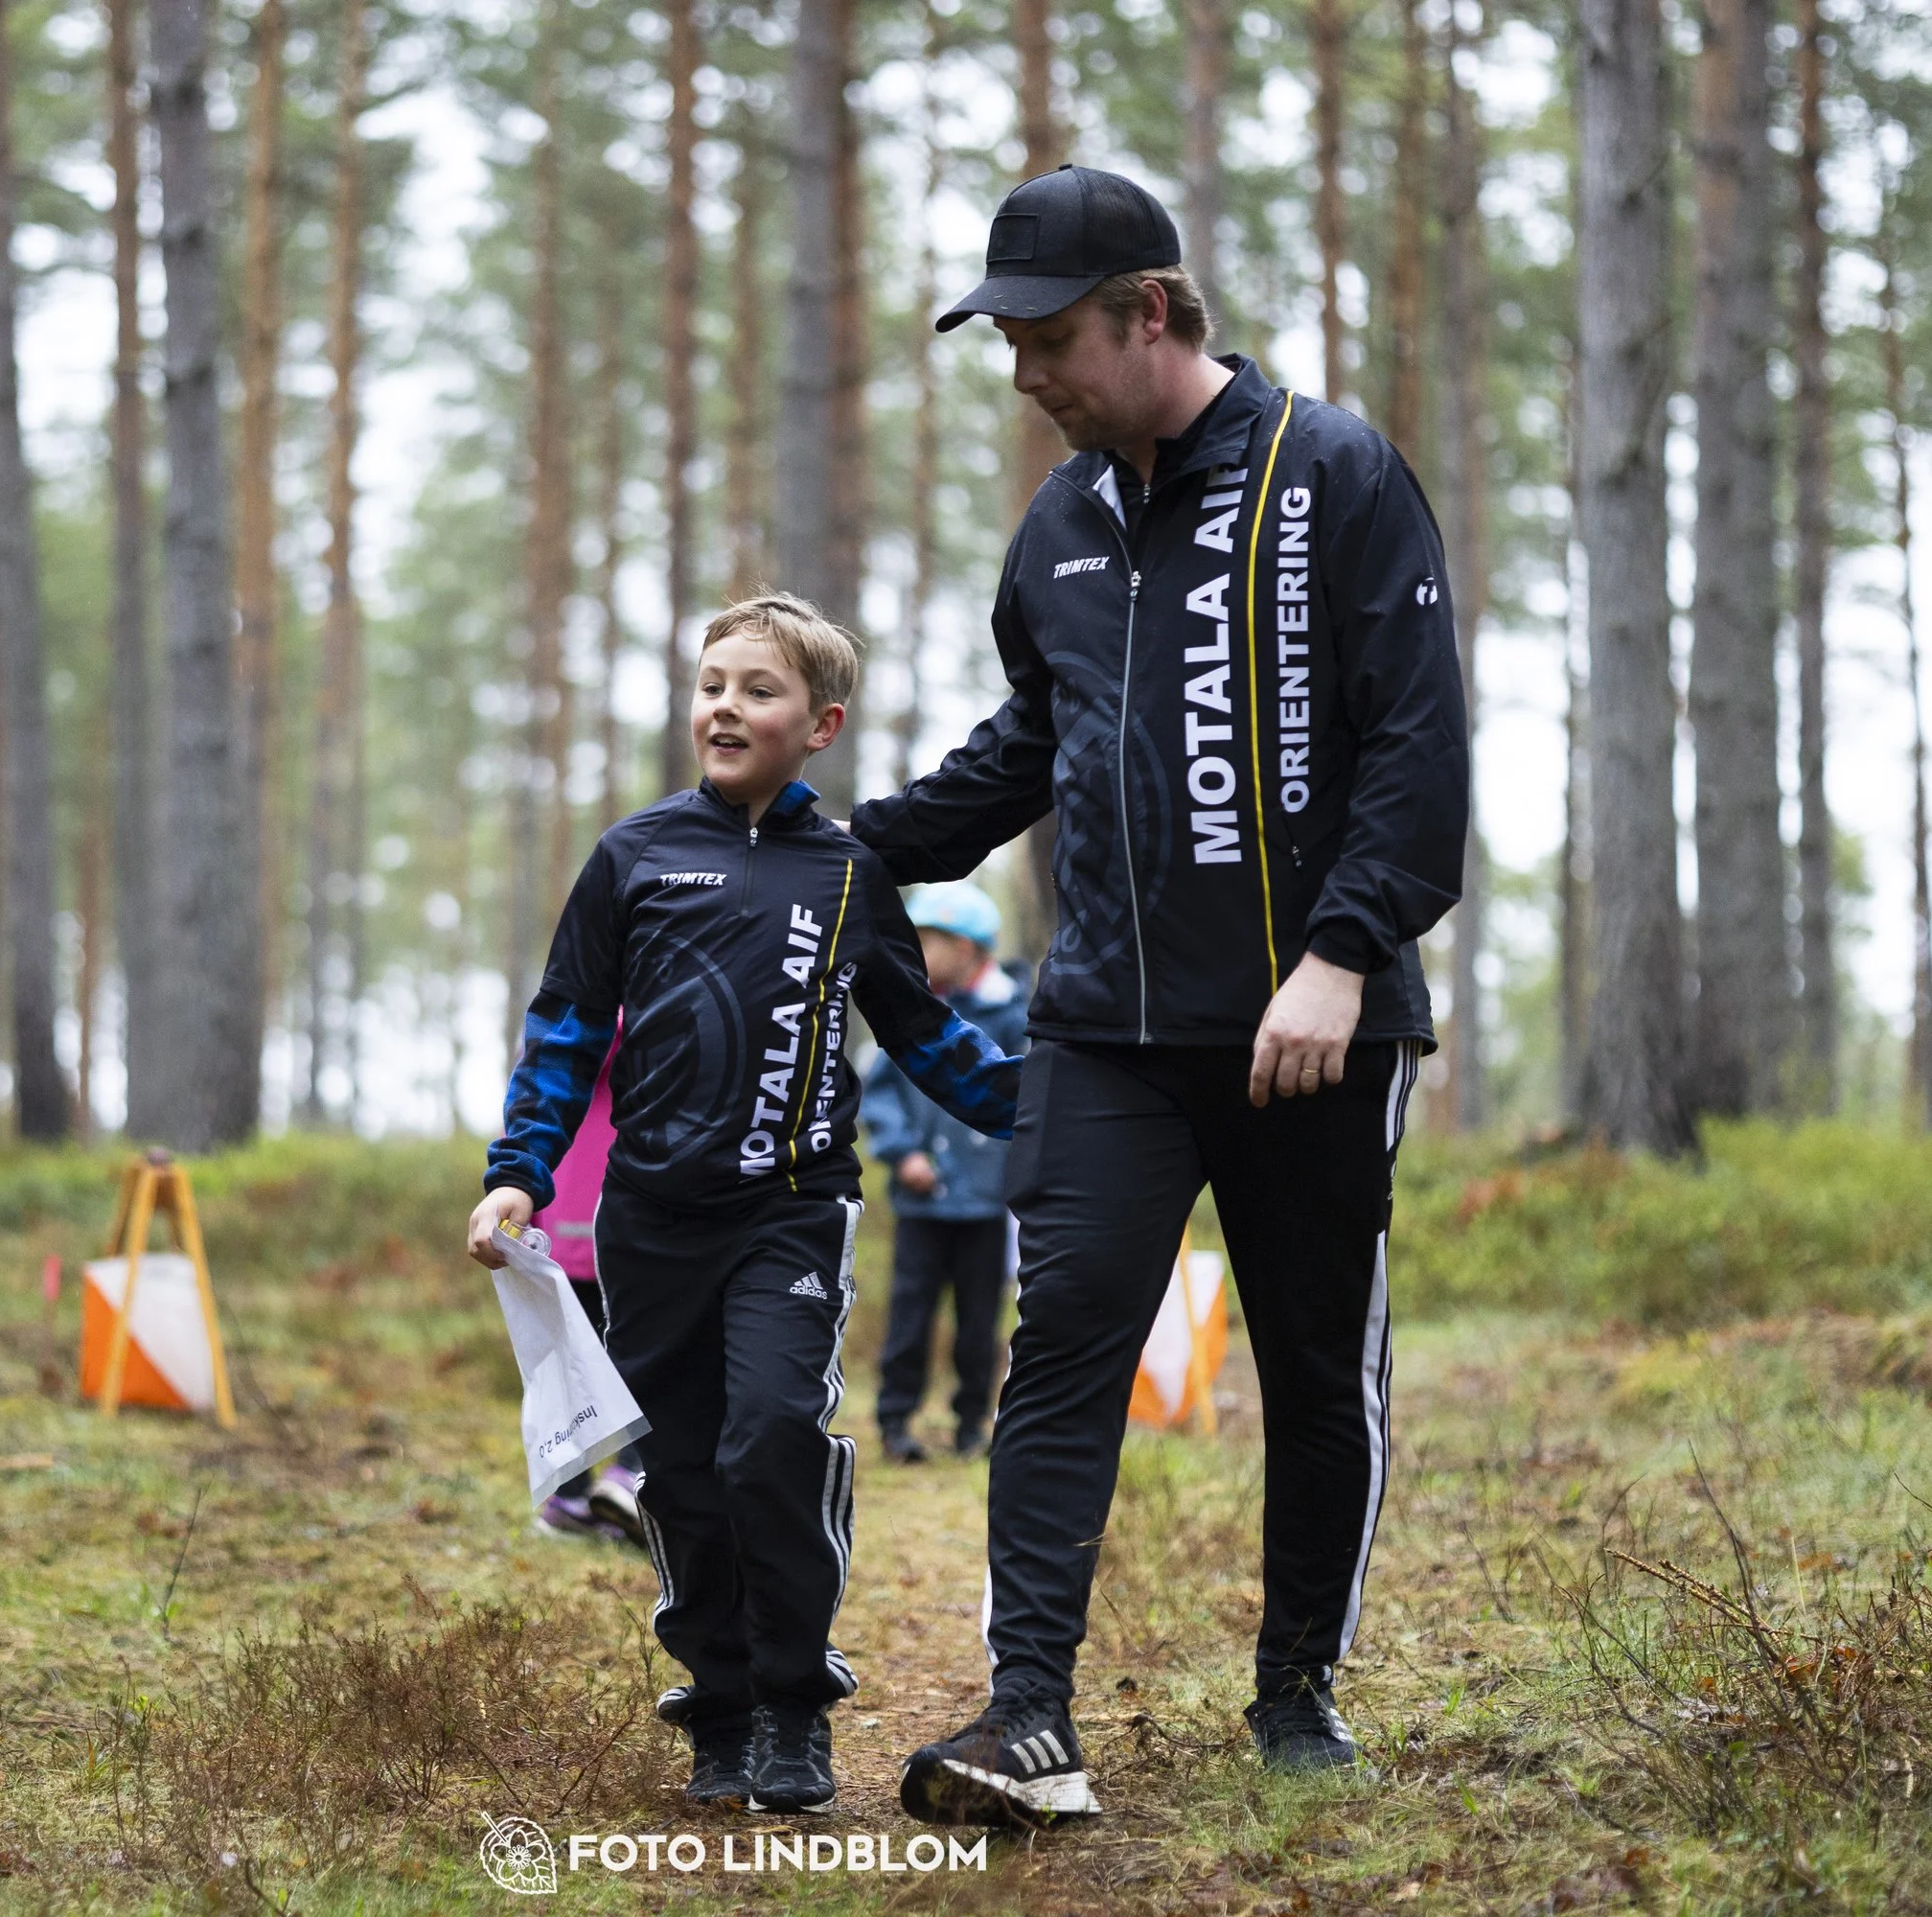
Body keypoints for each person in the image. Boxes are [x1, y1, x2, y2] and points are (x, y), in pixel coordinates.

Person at [847, 165, 1468, 1822]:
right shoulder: (1058, 526)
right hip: (1106, 1029)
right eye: (1008, 345)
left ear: (1150, 314)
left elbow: (1419, 751)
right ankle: (1027, 1716)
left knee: (1316, 1369)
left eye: (1049, 339)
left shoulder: (1332, 473)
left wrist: (1340, 958)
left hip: (1310, 1032)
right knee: (1061, 1350)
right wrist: (852, 847)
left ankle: (1297, 1690)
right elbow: (1029, 747)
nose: (1027, 374)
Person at [467, 593, 1022, 1817]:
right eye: (711, 683)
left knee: (770, 1436)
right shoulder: (632, 855)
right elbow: (565, 1029)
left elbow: (925, 1035)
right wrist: (520, 1169)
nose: (724, 706)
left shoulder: (849, 872)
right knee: (679, 1470)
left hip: (793, 1213)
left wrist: (1044, 1115)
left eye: (757, 689)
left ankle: (792, 1700)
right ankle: (718, 1709)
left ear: (819, 724)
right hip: (650, 1220)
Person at [859, 881, 1028, 1464]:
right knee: (910, 1317)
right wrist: (901, 1150)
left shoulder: (1013, 1014)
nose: (916, 954)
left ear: (965, 947)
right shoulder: (911, 1013)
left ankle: (971, 1424)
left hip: (986, 1204)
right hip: (921, 1204)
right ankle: (895, 1421)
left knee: (979, 1324)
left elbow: (1026, 1096)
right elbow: (880, 1091)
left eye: (925, 942)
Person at [528, 1026, 646, 1545]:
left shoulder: (563, 1018)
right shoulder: (639, 1013)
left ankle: (572, 1496)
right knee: (643, 1352)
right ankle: (628, 1476)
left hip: (568, 1208)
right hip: (618, 1206)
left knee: (571, 1361)